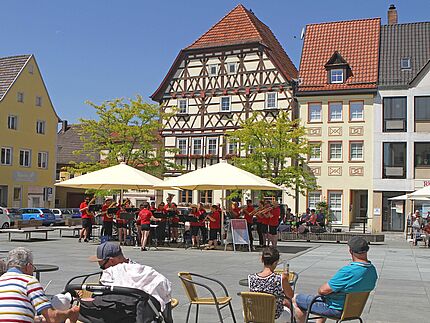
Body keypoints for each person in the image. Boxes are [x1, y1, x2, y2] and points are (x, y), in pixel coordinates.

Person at [293, 236, 378, 323]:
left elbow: (322, 290)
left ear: (350, 251)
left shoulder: (349, 271)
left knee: (295, 299)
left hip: (335, 309)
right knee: (325, 297)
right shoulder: (372, 270)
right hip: (353, 310)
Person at [89, 242, 172, 322]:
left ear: (111, 261)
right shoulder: (145, 273)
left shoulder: (111, 274)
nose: (103, 269)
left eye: (102, 266)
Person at [0, 247, 80, 323]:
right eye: (33, 268)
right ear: (28, 266)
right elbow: (52, 318)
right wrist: (70, 312)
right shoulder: (29, 281)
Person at [248, 246, 293, 322]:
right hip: (275, 316)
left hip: (257, 314)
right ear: (276, 262)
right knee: (290, 309)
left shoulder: (251, 278)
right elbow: (290, 295)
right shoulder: (280, 278)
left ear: (262, 259)